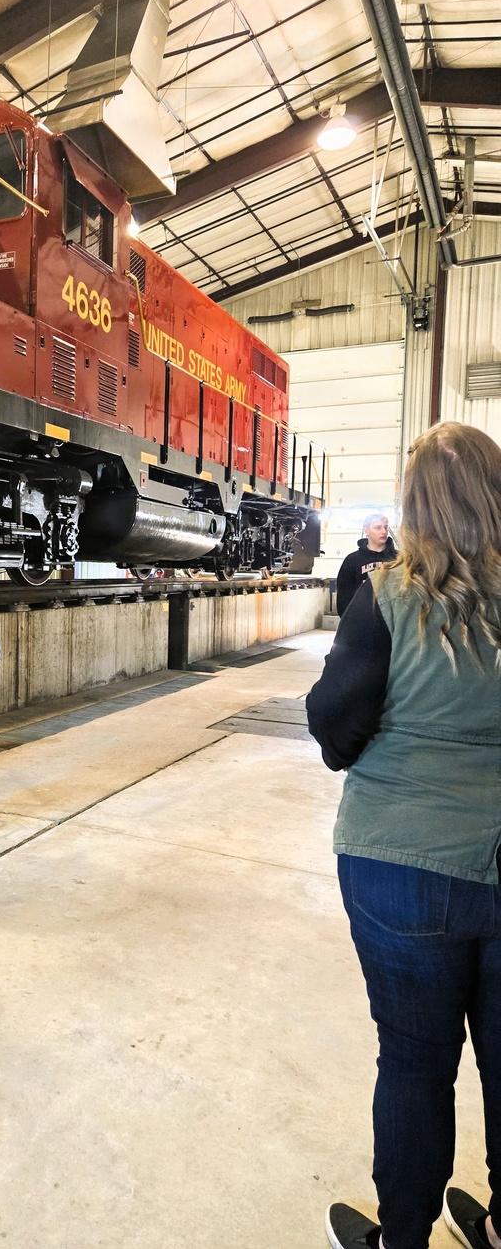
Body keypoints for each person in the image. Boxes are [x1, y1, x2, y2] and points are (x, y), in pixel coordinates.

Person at [306, 422, 501, 1249]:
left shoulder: (383, 598)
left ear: (413, 505)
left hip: (401, 868)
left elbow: (333, 730)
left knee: (417, 1061)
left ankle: (405, 1237)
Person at [335, 513, 398, 616]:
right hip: (362, 619)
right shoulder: (353, 560)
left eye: (385, 527)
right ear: (366, 530)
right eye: (378, 528)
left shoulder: (398, 559)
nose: (384, 531)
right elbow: (344, 596)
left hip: (392, 620)